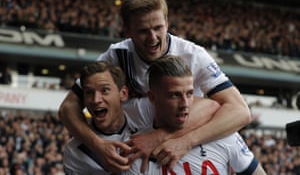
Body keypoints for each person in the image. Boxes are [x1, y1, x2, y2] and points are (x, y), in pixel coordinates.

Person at [58, 0, 251, 172]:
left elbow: (239, 111)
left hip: (183, 148)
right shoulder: (116, 56)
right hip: (136, 154)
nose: (152, 38)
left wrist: (174, 139)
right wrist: (98, 146)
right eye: (143, 31)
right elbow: (69, 106)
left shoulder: (193, 55)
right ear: (127, 30)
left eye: (158, 28)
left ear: (167, 23)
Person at [63, 60, 220, 174]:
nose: (96, 99)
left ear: (123, 94)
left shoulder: (143, 110)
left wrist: (158, 136)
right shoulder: (75, 151)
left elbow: (210, 106)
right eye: (89, 92)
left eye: (104, 91)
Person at [125, 56, 266, 175]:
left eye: (190, 93)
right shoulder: (138, 150)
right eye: (175, 95)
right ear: (152, 98)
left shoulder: (220, 131)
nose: (185, 104)